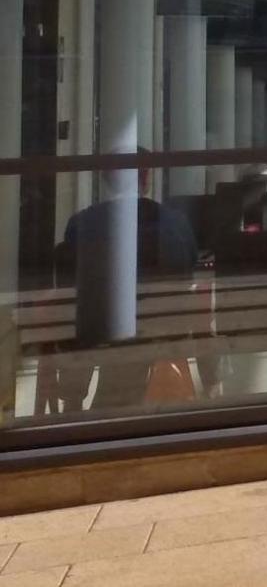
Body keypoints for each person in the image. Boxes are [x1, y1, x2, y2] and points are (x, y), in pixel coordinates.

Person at [55, 159, 201, 410]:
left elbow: (71, 284)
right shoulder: (176, 222)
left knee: (83, 318)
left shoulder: (82, 222)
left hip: (100, 327)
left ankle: (73, 402)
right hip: (161, 325)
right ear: (146, 179)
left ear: (107, 181)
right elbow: (190, 268)